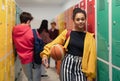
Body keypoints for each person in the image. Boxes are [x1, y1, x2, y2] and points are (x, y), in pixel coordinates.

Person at [40, 8, 96, 81]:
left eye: (83, 19)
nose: (80, 21)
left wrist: (90, 77)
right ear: (73, 20)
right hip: (67, 64)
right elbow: (52, 44)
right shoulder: (67, 33)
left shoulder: (90, 37)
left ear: (85, 20)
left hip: (81, 67)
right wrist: (45, 55)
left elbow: (92, 58)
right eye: (78, 19)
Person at [12, 12, 34, 81]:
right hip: (31, 56)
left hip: (22, 57)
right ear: (28, 21)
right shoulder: (30, 30)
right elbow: (33, 42)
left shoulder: (14, 29)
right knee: (32, 76)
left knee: (29, 77)